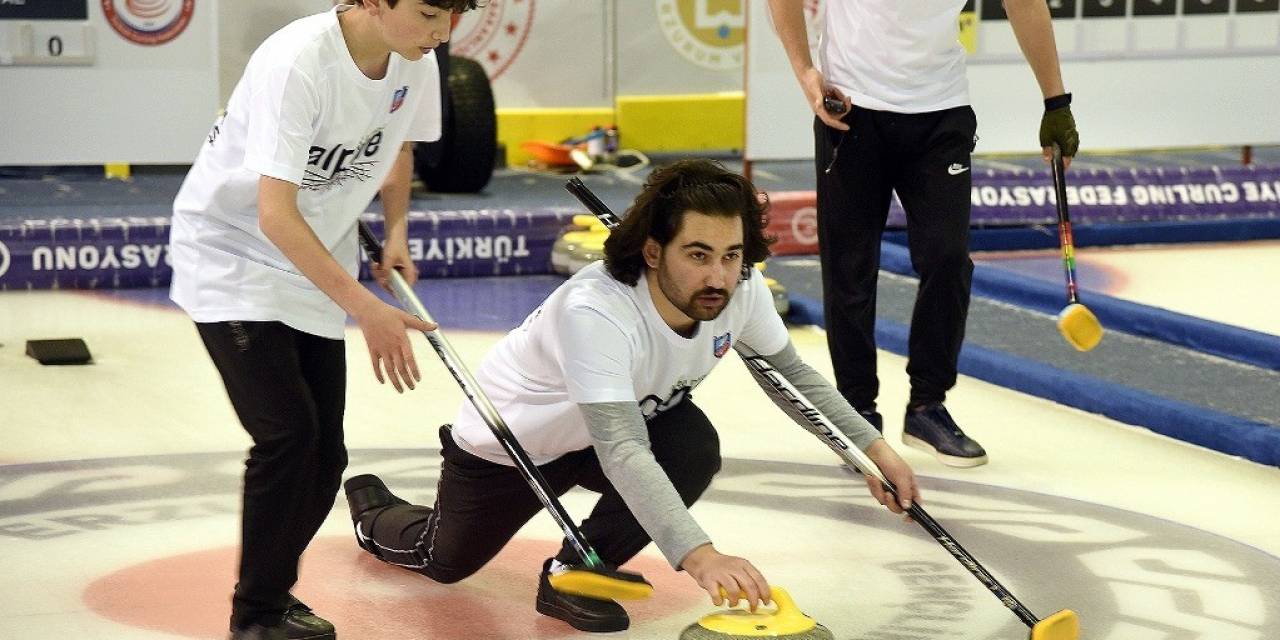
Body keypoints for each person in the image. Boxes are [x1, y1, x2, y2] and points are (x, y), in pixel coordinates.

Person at [342, 159, 921, 633]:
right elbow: (621, 448)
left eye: (732, 254)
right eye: (698, 255)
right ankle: (376, 510)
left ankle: (573, 574)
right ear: (652, 251)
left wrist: (871, 451)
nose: (719, 276)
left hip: (615, 431)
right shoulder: (595, 309)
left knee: (691, 444)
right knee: (444, 563)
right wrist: (700, 554)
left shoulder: (738, 290)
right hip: (513, 446)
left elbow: (794, 378)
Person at [167, 1, 479, 638]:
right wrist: (365, 307)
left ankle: (274, 595)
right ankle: (254, 616)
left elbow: (395, 146)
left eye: (452, 14)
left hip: (315, 256)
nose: (442, 32)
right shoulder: (297, 63)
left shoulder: (414, 56)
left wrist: (397, 231)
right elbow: (275, 214)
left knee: (325, 455)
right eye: (426, 12)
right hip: (233, 254)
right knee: (287, 437)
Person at [766, 0, 1081, 468]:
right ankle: (855, 410)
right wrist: (804, 70)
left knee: (948, 258)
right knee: (850, 267)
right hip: (851, 112)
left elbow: (1024, 3)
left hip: (941, 112)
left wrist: (1056, 102)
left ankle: (927, 407)